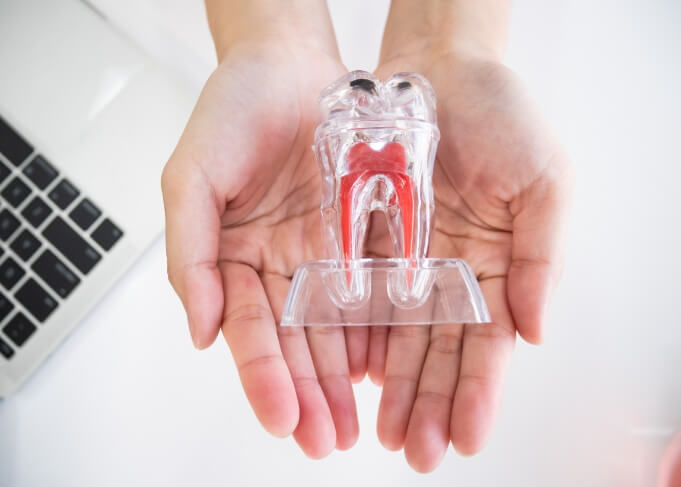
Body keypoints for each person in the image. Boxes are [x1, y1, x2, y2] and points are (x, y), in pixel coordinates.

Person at [161, 0, 573, 473]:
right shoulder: (348, 132)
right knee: (371, 216)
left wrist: (453, 39)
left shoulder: (399, 132)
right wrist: (269, 36)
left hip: (396, 130)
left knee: (401, 215)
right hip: (321, 106)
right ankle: (378, 276)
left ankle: (395, 275)